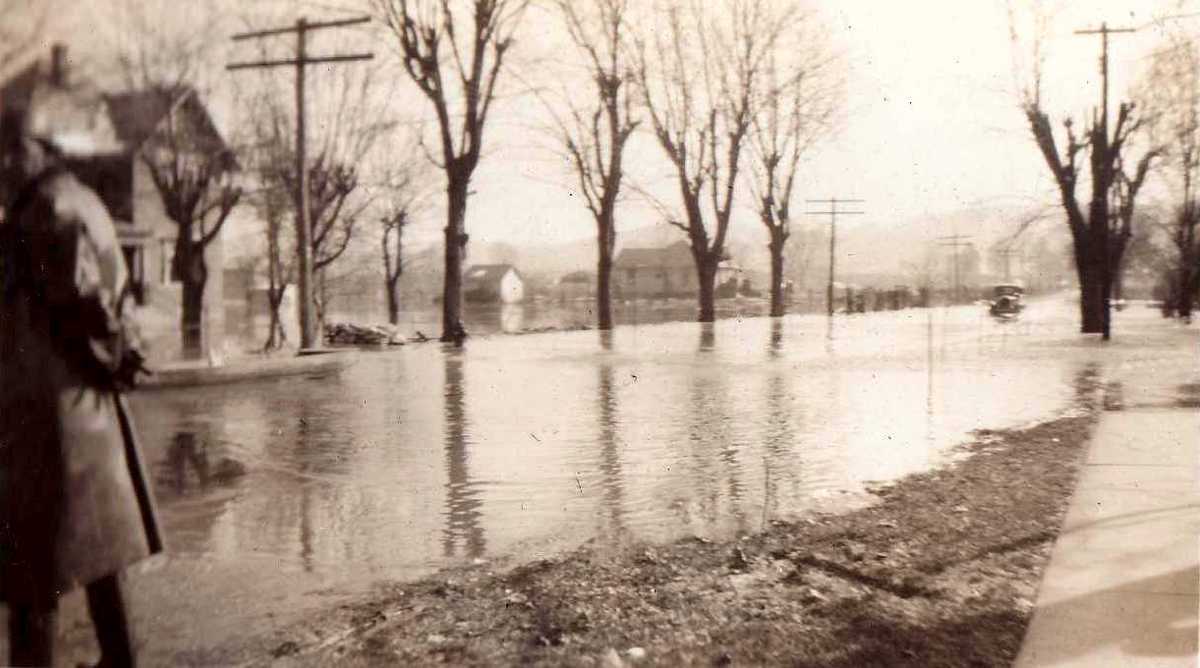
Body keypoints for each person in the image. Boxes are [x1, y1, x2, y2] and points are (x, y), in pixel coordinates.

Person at [0, 82, 161, 667]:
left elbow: (81, 298)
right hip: (83, 409)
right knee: (99, 552)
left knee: (29, 571)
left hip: (49, 413)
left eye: (12, 151)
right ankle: (122, 661)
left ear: (44, 150)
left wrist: (109, 353)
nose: (4, 163)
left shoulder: (47, 208)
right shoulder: (81, 199)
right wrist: (119, 359)